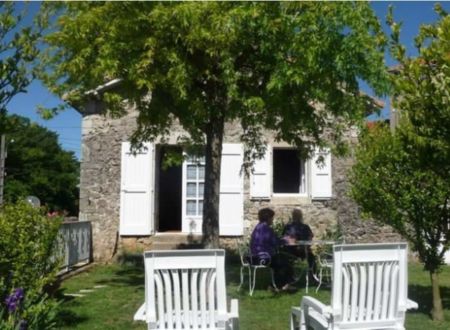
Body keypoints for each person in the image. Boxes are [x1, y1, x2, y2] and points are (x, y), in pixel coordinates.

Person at [250, 207, 295, 291]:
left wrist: (282, 240)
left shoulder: (258, 227)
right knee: (286, 260)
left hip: (253, 257)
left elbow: (272, 241)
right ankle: (278, 285)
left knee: (282, 259)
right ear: (268, 218)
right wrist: (287, 241)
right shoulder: (267, 229)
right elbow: (275, 242)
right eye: (272, 218)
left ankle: (283, 284)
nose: (272, 220)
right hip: (263, 257)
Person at [282, 208, 317, 274]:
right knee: (311, 257)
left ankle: (311, 275)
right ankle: (312, 275)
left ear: (292, 216)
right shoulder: (290, 227)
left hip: (294, 251)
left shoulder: (289, 227)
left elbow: (284, 239)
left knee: (311, 257)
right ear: (301, 217)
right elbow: (310, 238)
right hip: (296, 251)